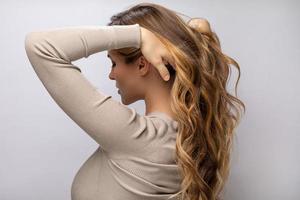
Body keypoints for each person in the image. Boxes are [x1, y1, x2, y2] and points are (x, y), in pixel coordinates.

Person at [24, 2, 245, 200]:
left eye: (113, 63)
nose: (111, 75)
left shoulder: (138, 138)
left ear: (142, 64)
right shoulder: (188, 140)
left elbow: (40, 46)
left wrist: (138, 35)